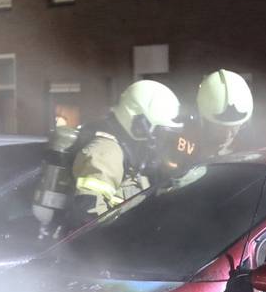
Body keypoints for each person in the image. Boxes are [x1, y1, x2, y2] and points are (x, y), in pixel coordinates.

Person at [66, 79, 184, 227]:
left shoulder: (129, 149)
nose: (163, 140)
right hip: (105, 247)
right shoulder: (107, 153)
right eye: (160, 132)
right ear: (140, 125)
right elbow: (89, 217)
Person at [195, 69, 254, 158]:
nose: (226, 135)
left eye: (233, 127)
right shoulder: (188, 149)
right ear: (203, 120)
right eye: (220, 128)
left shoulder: (253, 150)